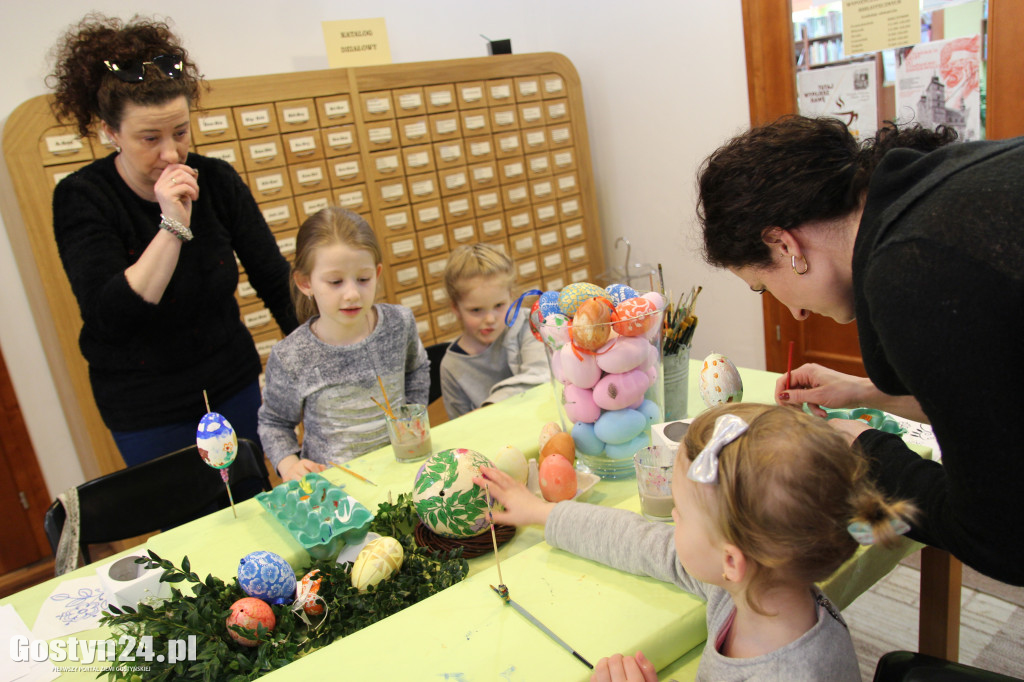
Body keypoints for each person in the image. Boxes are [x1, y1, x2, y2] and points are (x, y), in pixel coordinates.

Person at [696, 114, 1024, 586]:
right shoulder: (937, 185)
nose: (796, 314)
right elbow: (993, 399)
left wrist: (871, 457)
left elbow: (1000, 537)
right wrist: (865, 393)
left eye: (763, 288)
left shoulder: (911, 271)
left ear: (785, 244)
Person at [478, 403, 915, 681]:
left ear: (731, 560)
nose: (670, 519)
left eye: (681, 513)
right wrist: (542, 512)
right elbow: (642, 541)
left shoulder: (790, 673)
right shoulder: (756, 589)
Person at [48, 14, 297, 467]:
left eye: (180, 132)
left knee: (254, 502)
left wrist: (325, 354)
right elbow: (111, 317)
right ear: (110, 131)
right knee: (188, 527)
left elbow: (273, 279)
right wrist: (172, 225)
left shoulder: (217, 180)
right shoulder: (82, 197)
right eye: (150, 138)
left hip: (232, 384)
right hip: (148, 409)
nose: (170, 153)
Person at [258, 207, 429, 481]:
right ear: (305, 282)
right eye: (335, 282)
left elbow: (417, 369)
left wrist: (411, 415)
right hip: (336, 489)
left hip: (402, 472)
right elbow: (274, 422)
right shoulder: (291, 356)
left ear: (377, 272)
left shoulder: (400, 323)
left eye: (363, 279)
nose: (352, 294)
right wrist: (289, 464)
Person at [439, 244, 549, 419]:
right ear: (456, 308)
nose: (490, 319)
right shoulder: (451, 367)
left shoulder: (529, 324)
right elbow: (462, 429)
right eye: (476, 310)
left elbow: (541, 377)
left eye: (499, 305)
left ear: (511, 296)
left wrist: (490, 409)